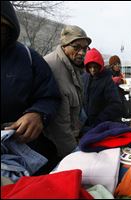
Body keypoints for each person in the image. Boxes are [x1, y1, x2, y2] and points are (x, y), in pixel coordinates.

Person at [1, 1, 61, 174]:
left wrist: (38, 114)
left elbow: (50, 97)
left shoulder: (28, 57)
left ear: (9, 26)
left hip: (24, 150)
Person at [43, 24, 92, 158]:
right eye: (76, 47)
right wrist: (74, 156)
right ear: (64, 46)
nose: (82, 52)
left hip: (69, 139)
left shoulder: (73, 67)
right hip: (54, 147)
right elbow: (60, 126)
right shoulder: (52, 68)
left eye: (84, 48)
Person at [81, 48, 123, 133]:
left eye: (95, 67)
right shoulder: (84, 78)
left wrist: (100, 119)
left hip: (101, 125)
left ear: (100, 66)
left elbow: (115, 104)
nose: (92, 70)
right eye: (90, 67)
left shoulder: (107, 80)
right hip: (85, 124)